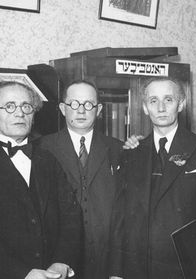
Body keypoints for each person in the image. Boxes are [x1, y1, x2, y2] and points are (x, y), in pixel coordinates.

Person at [117, 77, 196, 279]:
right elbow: (120, 218)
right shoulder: (132, 152)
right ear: (145, 108)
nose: (161, 107)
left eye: (168, 100)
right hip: (139, 268)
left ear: (181, 104)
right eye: (153, 101)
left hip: (186, 267)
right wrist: (117, 271)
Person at [0, 81, 82, 279]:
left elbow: (71, 216)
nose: (19, 114)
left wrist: (62, 261)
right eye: (10, 106)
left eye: (26, 107)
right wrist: (22, 273)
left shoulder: (48, 160)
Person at [39, 80, 123, 279]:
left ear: (99, 109)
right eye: (74, 104)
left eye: (89, 104)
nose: (81, 111)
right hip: (56, 262)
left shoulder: (119, 149)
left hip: (105, 261)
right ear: (62, 108)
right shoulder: (41, 148)